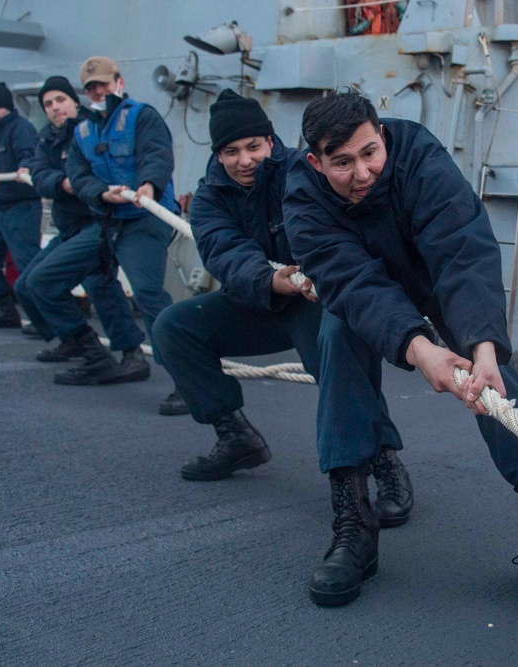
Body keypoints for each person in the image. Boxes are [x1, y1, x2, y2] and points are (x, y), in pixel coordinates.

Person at [283, 91, 518, 618]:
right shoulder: (302, 196)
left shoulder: (419, 155)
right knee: (338, 333)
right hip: (366, 291)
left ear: (382, 136)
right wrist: (420, 351)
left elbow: (462, 247)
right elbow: (351, 281)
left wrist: (480, 347)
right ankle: (353, 520)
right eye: (341, 162)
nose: (361, 172)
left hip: (435, 276)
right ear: (315, 162)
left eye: (369, 152)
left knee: (490, 370)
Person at [151, 90, 413, 607]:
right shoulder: (207, 199)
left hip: (317, 297)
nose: (245, 160)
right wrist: (278, 282)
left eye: (254, 146)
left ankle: (384, 463)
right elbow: (226, 254)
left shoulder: (305, 169)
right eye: (232, 152)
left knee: (335, 356)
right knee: (173, 327)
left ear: (270, 141)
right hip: (261, 299)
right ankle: (235, 434)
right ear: (218, 156)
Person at [19, 56, 182, 410]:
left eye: (104, 84)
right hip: (107, 221)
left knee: (149, 295)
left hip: (144, 219)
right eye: (92, 87)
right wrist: (99, 193)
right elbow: (78, 175)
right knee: (41, 281)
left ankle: (189, 381)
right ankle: (93, 354)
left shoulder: (143, 116)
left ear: (119, 83)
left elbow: (157, 155)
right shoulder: (81, 131)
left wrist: (148, 187)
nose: (99, 91)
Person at [14, 76, 147, 367]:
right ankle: (72, 339)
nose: (55, 108)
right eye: (48, 104)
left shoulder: (91, 130)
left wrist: (80, 184)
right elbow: (39, 175)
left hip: (98, 223)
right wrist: (64, 183)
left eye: (60, 100)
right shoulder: (47, 139)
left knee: (100, 283)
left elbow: (102, 169)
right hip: (70, 229)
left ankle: (131, 355)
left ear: (75, 101)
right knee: (26, 286)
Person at [0, 82, 42, 329]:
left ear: (8, 108)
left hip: (22, 206)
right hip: (0, 205)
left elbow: (29, 155)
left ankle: (42, 318)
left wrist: (24, 168)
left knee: (28, 263)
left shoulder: (21, 128)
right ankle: (7, 309)